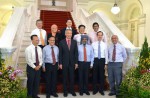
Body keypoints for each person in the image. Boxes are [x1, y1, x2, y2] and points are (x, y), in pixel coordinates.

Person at [59, 29, 78, 97]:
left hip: (72, 63)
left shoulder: (74, 42)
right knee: (65, 77)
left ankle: (72, 91)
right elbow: (60, 54)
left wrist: (76, 63)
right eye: (68, 33)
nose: (69, 34)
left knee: (72, 77)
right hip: (64, 63)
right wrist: (60, 63)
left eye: (70, 33)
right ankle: (65, 91)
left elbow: (76, 53)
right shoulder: (61, 42)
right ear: (65, 34)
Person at [92, 31, 108, 95]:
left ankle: (101, 90)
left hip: (102, 60)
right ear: (97, 36)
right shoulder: (93, 44)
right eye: (98, 35)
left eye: (101, 35)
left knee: (101, 76)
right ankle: (95, 89)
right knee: (94, 75)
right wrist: (91, 62)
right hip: (95, 60)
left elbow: (106, 54)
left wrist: (106, 63)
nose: (100, 36)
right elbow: (92, 54)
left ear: (102, 36)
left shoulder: (105, 44)